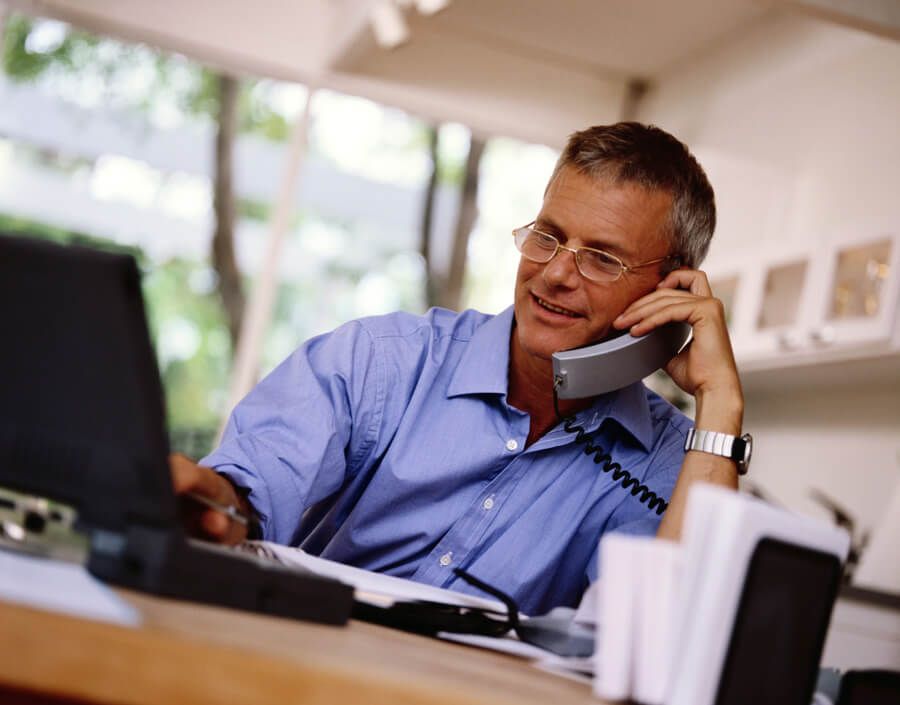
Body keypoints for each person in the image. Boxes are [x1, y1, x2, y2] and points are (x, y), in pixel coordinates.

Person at [170, 122, 744, 616]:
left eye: (600, 257)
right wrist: (216, 503)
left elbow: (664, 641)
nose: (554, 275)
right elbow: (250, 488)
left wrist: (719, 401)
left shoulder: (674, 464)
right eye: (547, 237)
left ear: (670, 291)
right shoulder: (383, 360)